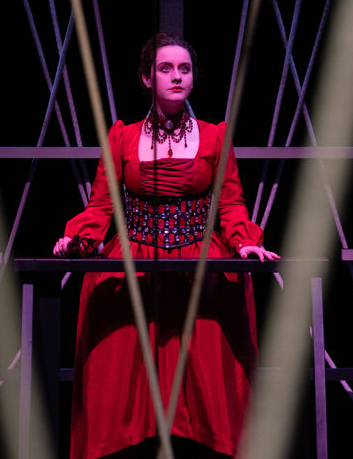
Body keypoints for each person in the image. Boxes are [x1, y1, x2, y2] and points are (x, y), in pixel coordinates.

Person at [53, 33, 278, 459]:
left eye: (184, 69)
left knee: (211, 387)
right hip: (136, 263)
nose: (177, 76)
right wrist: (79, 239)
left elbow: (230, 204)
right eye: (165, 68)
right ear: (146, 78)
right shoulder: (122, 137)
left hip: (200, 265)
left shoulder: (215, 137)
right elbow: (102, 205)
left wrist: (245, 243)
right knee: (117, 382)